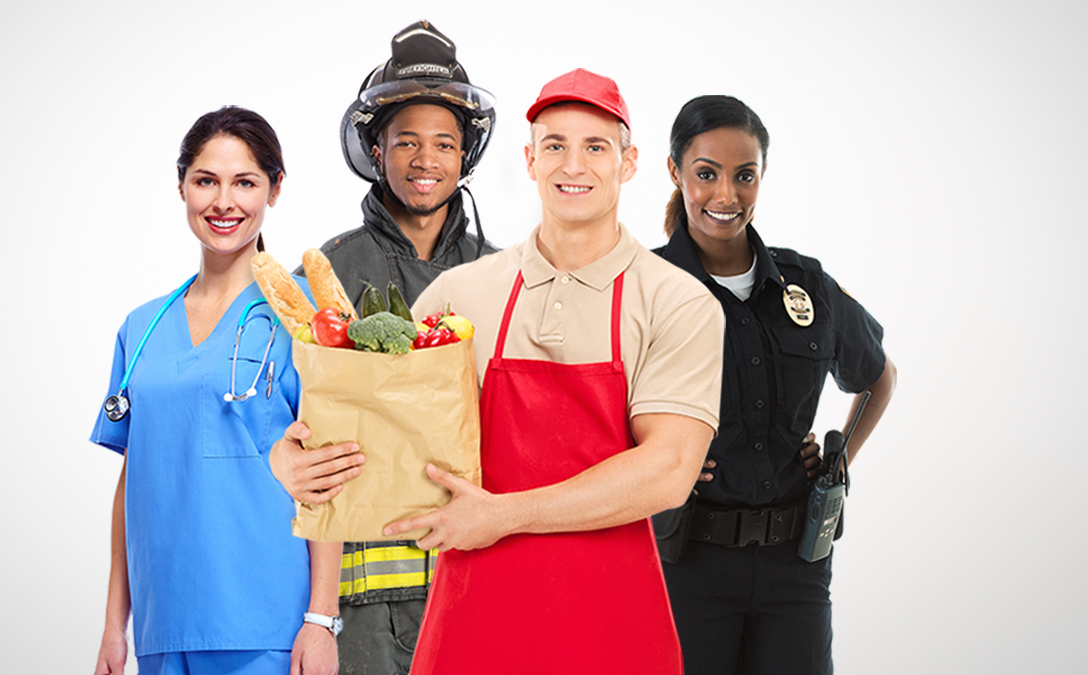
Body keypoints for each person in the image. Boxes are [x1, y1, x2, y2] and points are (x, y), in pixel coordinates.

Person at [383, 69, 724, 673]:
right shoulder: (459, 293)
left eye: (595, 147)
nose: (574, 165)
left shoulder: (676, 299)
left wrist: (504, 515)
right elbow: (383, 426)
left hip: (613, 630)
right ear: (530, 160)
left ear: (629, 162)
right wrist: (298, 460)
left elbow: (668, 470)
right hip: (473, 625)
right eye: (555, 146)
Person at [89, 106, 341, 675]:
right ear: (181, 186)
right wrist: (114, 626)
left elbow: (331, 476)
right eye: (206, 181)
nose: (223, 202)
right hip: (163, 623)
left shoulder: (307, 317)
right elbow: (134, 479)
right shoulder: (143, 327)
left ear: (274, 190)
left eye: (245, 182)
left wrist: (321, 620)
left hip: (267, 622)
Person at [651, 95, 897, 675]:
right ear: (675, 172)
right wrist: (664, 460)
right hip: (688, 565)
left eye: (745, 176)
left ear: (762, 176)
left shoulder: (806, 284)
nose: (726, 196)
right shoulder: (645, 288)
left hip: (797, 565)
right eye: (706, 174)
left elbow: (877, 376)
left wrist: (838, 460)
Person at [288, 21, 497, 675]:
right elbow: (304, 444)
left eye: (443, 142)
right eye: (405, 140)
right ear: (376, 150)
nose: (424, 159)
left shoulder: (505, 276)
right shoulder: (329, 273)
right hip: (368, 602)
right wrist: (319, 619)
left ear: (465, 155)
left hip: (478, 584)